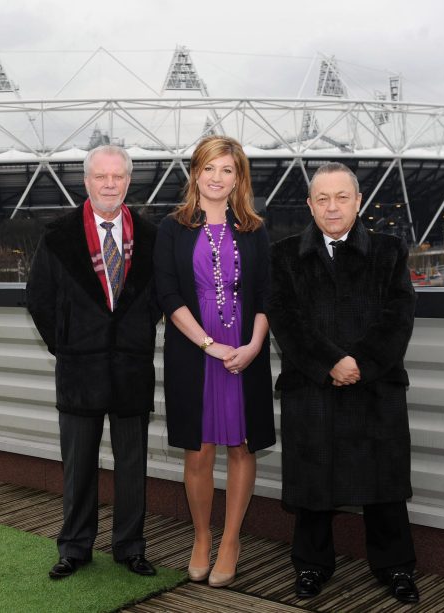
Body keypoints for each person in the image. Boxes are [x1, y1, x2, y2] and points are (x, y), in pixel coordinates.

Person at [267, 162, 420, 604]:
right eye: (323, 198)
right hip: (312, 387)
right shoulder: (285, 255)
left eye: (341, 197)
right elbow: (286, 321)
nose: (332, 207)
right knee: (314, 483)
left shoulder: (390, 251)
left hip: (376, 387)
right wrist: (330, 363)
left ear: (358, 201)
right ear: (311, 205)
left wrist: (361, 364)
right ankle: (312, 565)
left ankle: (396, 568)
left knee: (384, 484)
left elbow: (399, 317)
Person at [26, 144, 161, 580]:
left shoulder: (151, 236)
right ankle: (75, 547)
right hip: (79, 370)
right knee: (78, 466)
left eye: (117, 176)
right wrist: (66, 344)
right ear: (86, 182)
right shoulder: (59, 235)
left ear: (128, 181)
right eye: (100, 177)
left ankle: (130, 546)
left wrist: (133, 334)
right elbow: (39, 299)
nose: (109, 184)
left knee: (132, 466)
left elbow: (156, 300)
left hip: (131, 369)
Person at [154, 135, 275, 588]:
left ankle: (231, 540)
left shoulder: (255, 228)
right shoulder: (173, 227)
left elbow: (266, 293)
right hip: (195, 350)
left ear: (238, 177)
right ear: (195, 173)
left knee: (242, 445)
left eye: (228, 170)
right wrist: (209, 344)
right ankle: (202, 537)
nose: (217, 178)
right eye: (209, 168)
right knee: (199, 449)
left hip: (246, 348)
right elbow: (167, 294)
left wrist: (253, 346)